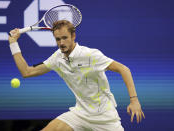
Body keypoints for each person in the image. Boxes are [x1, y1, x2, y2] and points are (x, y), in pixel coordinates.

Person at [8, 20, 145, 131]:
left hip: (104, 117)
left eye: (65, 38)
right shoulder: (57, 58)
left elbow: (124, 69)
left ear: (73, 36)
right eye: (58, 39)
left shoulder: (90, 55)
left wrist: (134, 100)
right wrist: (13, 43)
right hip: (80, 114)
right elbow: (27, 72)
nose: (61, 43)